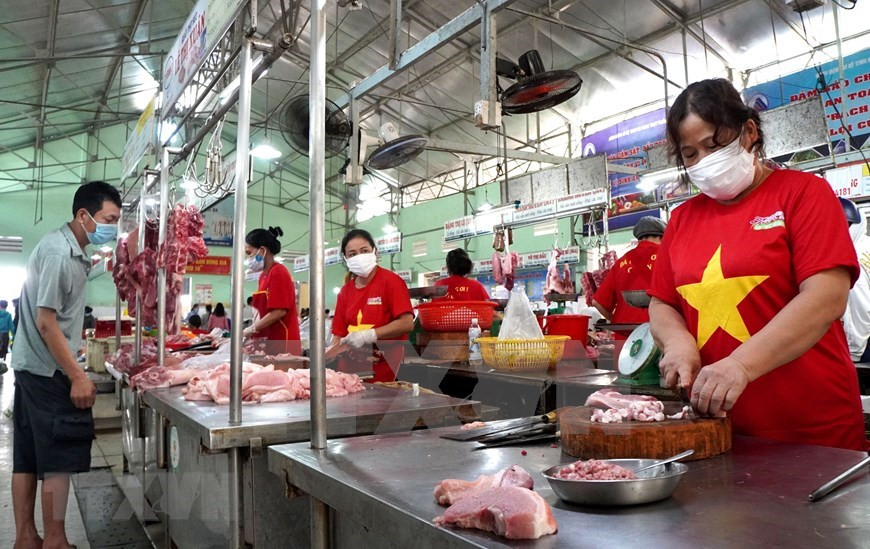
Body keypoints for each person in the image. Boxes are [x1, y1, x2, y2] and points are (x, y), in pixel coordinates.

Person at [648, 78, 866, 450]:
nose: (704, 162)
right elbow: (662, 302)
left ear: (749, 132)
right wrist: (677, 342)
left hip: (811, 428)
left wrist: (742, 365)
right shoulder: (683, 218)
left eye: (714, 145)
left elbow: (826, 298)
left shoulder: (804, 194)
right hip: (717, 427)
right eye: (690, 154)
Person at [12, 181, 121, 549]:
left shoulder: (66, 249)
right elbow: (47, 322)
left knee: (27, 457)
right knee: (57, 460)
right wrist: (77, 375)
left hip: (32, 368)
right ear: (83, 215)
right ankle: (56, 541)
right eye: (109, 219)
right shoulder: (61, 254)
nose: (112, 228)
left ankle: (27, 538)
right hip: (48, 373)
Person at [331, 229, 414, 382]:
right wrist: (333, 352)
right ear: (345, 259)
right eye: (352, 254)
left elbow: (406, 323)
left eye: (364, 251)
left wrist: (369, 335)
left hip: (383, 363)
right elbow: (338, 334)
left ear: (375, 252)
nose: (359, 257)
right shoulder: (345, 291)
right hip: (350, 365)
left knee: (377, 396)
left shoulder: (391, 282)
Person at [592, 216, 666, 324]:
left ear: (639, 239)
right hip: (660, 329)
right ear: (662, 237)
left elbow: (597, 302)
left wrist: (616, 321)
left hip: (625, 332)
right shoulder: (668, 256)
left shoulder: (621, 262)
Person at [241, 226, 302, 355]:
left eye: (249, 253)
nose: (248, 258)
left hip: (283, 343)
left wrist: (252, 329)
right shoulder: (263, 276)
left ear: (262, 251)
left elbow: (279, 311)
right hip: (269, 341)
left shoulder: (278, 272)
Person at [839, 198, 870, 363]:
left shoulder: (851, 259)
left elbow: (859, 308)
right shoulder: (867, 245)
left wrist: (854, 352)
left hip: (863, 343)